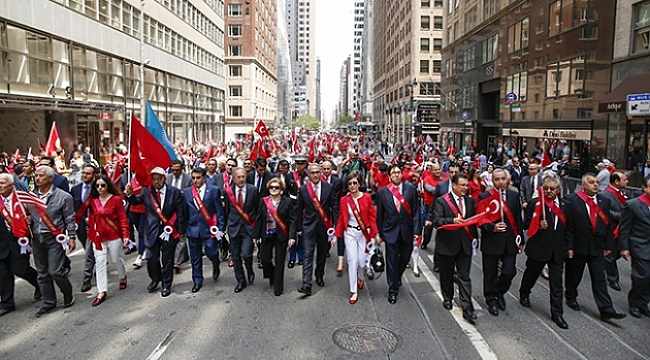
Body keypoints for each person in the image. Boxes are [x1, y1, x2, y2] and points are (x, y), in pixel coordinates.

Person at [563, 173, 626, 321]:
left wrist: (609, 244)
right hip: (578, 246)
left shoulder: (603, 201)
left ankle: (606, 309)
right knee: (574, 275)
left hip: (597, 247)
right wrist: (569, 247)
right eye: (591, 182)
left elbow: (607, 224)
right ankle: (571, 296)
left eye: (597, 182)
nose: (595, 185)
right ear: (584, 185)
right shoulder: (572, 200)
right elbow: (569, 227)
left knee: (599, 279)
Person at [125, 167, 187, 298]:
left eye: (160, 179)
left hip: (169, 231)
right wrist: (129, 194)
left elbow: (180, 212)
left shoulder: (174, 192)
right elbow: (136, 202)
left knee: (167, 259)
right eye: (154, 179)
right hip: (152, 230)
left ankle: (166, 285)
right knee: (151, 258)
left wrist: (181, 231)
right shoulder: (146, 192)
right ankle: (155, 279)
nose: (157, 182)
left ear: (164, 179)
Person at [26, 166, 77, 317]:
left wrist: (72, 237)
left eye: (41, 176)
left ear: (50, 178)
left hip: (55, 238)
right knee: (42, 273)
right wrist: (27, 219)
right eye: (36, 175)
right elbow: (27, 213)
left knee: (55, 271)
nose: (37, 178)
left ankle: (67, 292)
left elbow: (69, 218)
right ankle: (49, 302)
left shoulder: (63, 197)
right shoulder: (30, 196)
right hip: (37, 238)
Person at [519, 177, 569, 329]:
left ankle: (557, 313)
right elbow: (526, 223)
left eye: (552, 189)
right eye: (546, 188)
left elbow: (570, 229)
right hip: (539, 248)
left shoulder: (566, 205)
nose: (548, 191)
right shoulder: (535, 204)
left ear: (558, 190)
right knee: (531, 274)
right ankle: (524, 292)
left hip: (557, 250)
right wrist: (538, 224)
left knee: (557, 284)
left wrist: (570, 247)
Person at [432, 173, 478, 323]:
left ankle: (467, 307)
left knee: (464, 276)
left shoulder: (470, 202)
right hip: (447, 245)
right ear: (454, 185)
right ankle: (448, 297)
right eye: (462, 185)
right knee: (447, 274)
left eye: (467, 185)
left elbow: (472, 223)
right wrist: (452, 220)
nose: (465, 188)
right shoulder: (441, 201)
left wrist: (475, 240)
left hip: (465, 245)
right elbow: (437, 221)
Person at [478, 169, 524, 316]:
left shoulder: (514, 195)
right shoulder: (485, 196)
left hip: (510, 241)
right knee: (490, 272)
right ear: (492, 180)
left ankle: (499, 292)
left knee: (509, 271)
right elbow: (480, 220)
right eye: (497, 179)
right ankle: (491, 298)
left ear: (507, 180)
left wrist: (521, 240)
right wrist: (492, 227)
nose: (500, 182)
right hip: (492, 240)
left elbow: (517, 219)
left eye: (503, 179)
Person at [376, 164, 421, 304]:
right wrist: (379, 233)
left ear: (402, 174)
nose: (396, 174)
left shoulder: (411, 189)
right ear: (389, 176)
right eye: (393, 173)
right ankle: (393, 290)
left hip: (406, 231)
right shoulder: (383, 192)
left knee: (405, 258)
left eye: (398, 172)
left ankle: (397, 277)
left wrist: (417, 231)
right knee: (391, 261)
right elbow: (380, 215)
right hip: (390, 232)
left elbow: (416, 211)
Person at [83, 175, 129, 306]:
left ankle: (123, 276)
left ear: (108, 185)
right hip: (98, 236)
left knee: (115, 259)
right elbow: (92, 216)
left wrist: (125, 234)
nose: (100, 188)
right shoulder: (93, 201)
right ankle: (101, 291)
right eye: (97, 186)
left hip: (114, 235)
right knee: (100, 262)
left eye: (102, 185)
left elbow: (122, 218)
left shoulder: (116, 200)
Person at [334, 171, 379, 305]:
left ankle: (361, 276)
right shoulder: (344, 200)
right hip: (350, 233)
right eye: (350, 184)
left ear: (359, 184)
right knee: (352, 260)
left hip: (364, 233)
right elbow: (342, 219)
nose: (352, 186)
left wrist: (375, 233)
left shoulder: (366, 198)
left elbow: (372, 217)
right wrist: (336, 236)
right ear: (347, 186)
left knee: (361, 261)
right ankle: (354, 290)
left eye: (355, 183)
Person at [0, 173, 41, 317]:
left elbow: (36, 213)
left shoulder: (22, 198)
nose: (0, 185)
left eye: (3, 183)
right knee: (3, 274)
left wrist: (29, 219)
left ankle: (39, 283)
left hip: (19, 239)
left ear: (11, 185)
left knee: (21, 269)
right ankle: (7, 303)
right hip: (1, 241)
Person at [296, 163, 339, 297]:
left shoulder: (329, 188)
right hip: (308, 227)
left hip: (324, 228)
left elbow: (335, 208)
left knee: (321, 254)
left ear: (320, 173)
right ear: (308, 174)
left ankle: (319, 275)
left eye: (317, 172)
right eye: (312, 172)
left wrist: (336, 226)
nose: (315, 175)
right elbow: (299, 210)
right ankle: (306, 284)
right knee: (308, 255)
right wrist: (298, 227)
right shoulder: (304, 190)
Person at [183, 167, 226, 293]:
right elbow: (184, 212)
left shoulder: (213, 191)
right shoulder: (187, 192)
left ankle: (216, 262)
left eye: (198, 178)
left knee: (211, 252)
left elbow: (219, 211)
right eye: (193, 178)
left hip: (209, 229)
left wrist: (221, 228)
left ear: (204, 178)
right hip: (193, 229)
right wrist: (183, 229)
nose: (195, 180)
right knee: (195, 257)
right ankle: (197, 280)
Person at [223, 167, 260, 293]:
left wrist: (257, 228)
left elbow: (257, 209)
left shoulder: (253, 190)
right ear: (233, 178)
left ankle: (249, 269)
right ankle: (240, 280)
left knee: (246, 254)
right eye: (238, 177)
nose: (241, 179)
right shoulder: (228, 192)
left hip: (248, 228)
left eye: (243, 176)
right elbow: (226, 210)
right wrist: (224, 227)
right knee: (235, 256)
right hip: (234, 227)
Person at [257, 177, 295, 296]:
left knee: (280, 261)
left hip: (281, 235)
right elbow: (259, 219)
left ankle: (278, 287)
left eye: (276, 187)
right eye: (271, 187)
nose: (273, 189)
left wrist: (292, 236)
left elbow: (292, 220)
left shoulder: (287, 202)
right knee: (264, 259)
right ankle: (271, 274)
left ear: (281, 190)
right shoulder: (263, 201)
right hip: (267, 234)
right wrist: (255, 235)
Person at [619, 175, 650, 318]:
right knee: (642, 275)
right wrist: (624, 247)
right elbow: (624, 228)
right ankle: (634, 302)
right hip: (640, 246)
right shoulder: (632, 204)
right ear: (644, 187)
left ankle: (644, 302)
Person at [600, 171, 629, 291]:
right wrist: (622, 216)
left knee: (616, 254)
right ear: (616, 181)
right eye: (624, 179)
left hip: (623, 229)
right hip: (612, 229)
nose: (627, 182)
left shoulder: (625, 193)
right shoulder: (605, 195)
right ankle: (613, 279)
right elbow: (606, 212)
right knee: (611, 256)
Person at [71, 164, 97, 293]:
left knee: (88, 253)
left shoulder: (99, 188)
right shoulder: (75, 189)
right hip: (80, 226)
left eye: (88, 173)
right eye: (84, 173)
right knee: (91, 251)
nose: (85, 175)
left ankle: (87, 279)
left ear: (94, 175)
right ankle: (98, 265)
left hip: (95, 226)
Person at [166, 159, 192, 274]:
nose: (175, 172)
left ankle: (176, 261)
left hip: (183, 210)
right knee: (173, 234)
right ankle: (184, 254)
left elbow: (190, 194)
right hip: (171, 212)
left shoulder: (188, 179)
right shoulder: (168, 178)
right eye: (173, 170)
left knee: (182, 235)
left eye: (177, 170)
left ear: (182, 168)